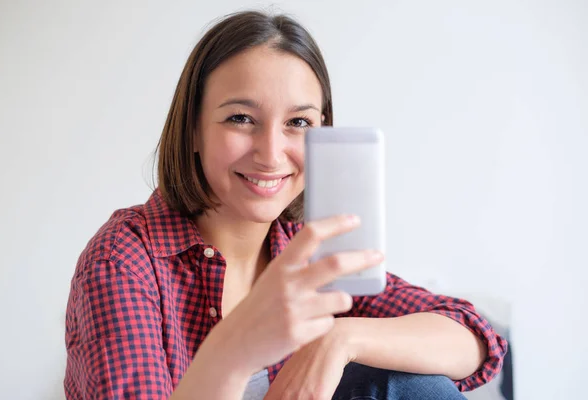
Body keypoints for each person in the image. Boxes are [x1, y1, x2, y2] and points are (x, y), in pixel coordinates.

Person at [64, 10, 507, 400]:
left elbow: (475, 336)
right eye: (241, 118)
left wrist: (339, 337)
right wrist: (235, 350)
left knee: (412, 387)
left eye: (298, 122)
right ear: (194, 129)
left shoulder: (308, 250)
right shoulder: (125, 258)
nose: (272, 153)